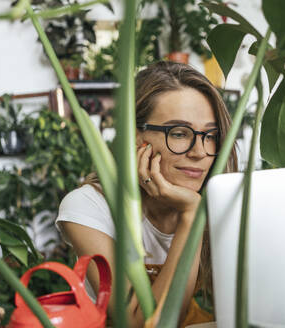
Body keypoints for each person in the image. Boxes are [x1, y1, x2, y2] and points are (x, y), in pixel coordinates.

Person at [56, 61, 238, 327]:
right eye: (178, 133)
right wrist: (191, 215)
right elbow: (137, 322)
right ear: (135, 136)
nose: (199, 152)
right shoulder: (89, 207)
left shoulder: (223, 199)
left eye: (210, 135)